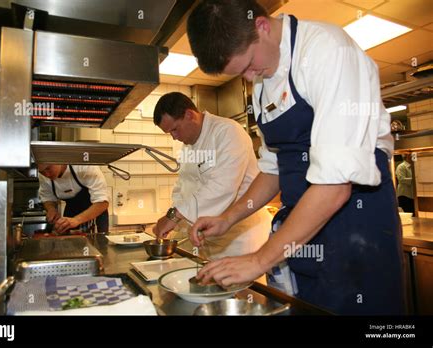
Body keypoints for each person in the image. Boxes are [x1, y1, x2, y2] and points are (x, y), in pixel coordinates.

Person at [186, 0, 405, 314]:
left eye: (248, 65)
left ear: (262, 25)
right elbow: (274, 168)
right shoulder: (263, 83)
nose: (249, 78)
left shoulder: (327, 51)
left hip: (355, 225)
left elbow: (335, 184)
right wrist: (228, 217)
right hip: (303, 226)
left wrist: (259, 259)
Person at [152, 92, 271, 259]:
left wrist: (174, 215)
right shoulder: (188, 146)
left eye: (174, 129)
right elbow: (183, 185)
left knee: (240, 286)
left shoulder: (228, 132)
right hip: (208, 239)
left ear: (189, 115)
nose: (174, 137)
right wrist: (173, 220)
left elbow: (222, 186)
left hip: (239, 240)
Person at [38, 164, 109, 234]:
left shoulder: (85, 166)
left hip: (95, 211)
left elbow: (102, 202)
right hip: (71, 211)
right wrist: (51, 209)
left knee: (97, 243)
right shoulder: (43, 176)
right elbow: (47, 196)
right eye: (42, 172)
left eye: (48, 168)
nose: (46, 174)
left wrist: (77, 220)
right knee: (71, 243)